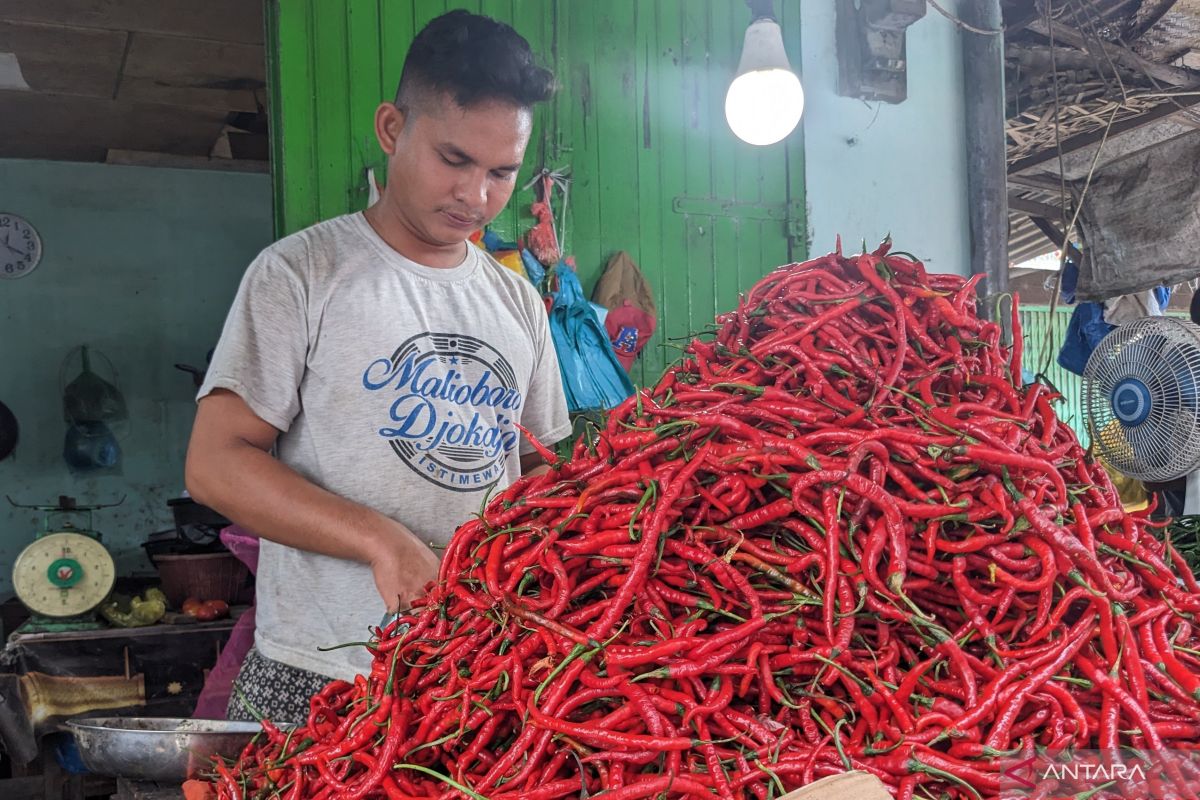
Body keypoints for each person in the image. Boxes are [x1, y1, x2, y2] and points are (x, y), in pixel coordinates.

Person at [185, 10, 571, 723]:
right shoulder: (300, 274)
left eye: (501, 173)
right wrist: (381, 541)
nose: (476, 196)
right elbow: (214, 464)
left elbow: (537, 472)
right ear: (392, 129)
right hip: (319, 670)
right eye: (454, 160)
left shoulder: (518, 303)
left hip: (474, 666)